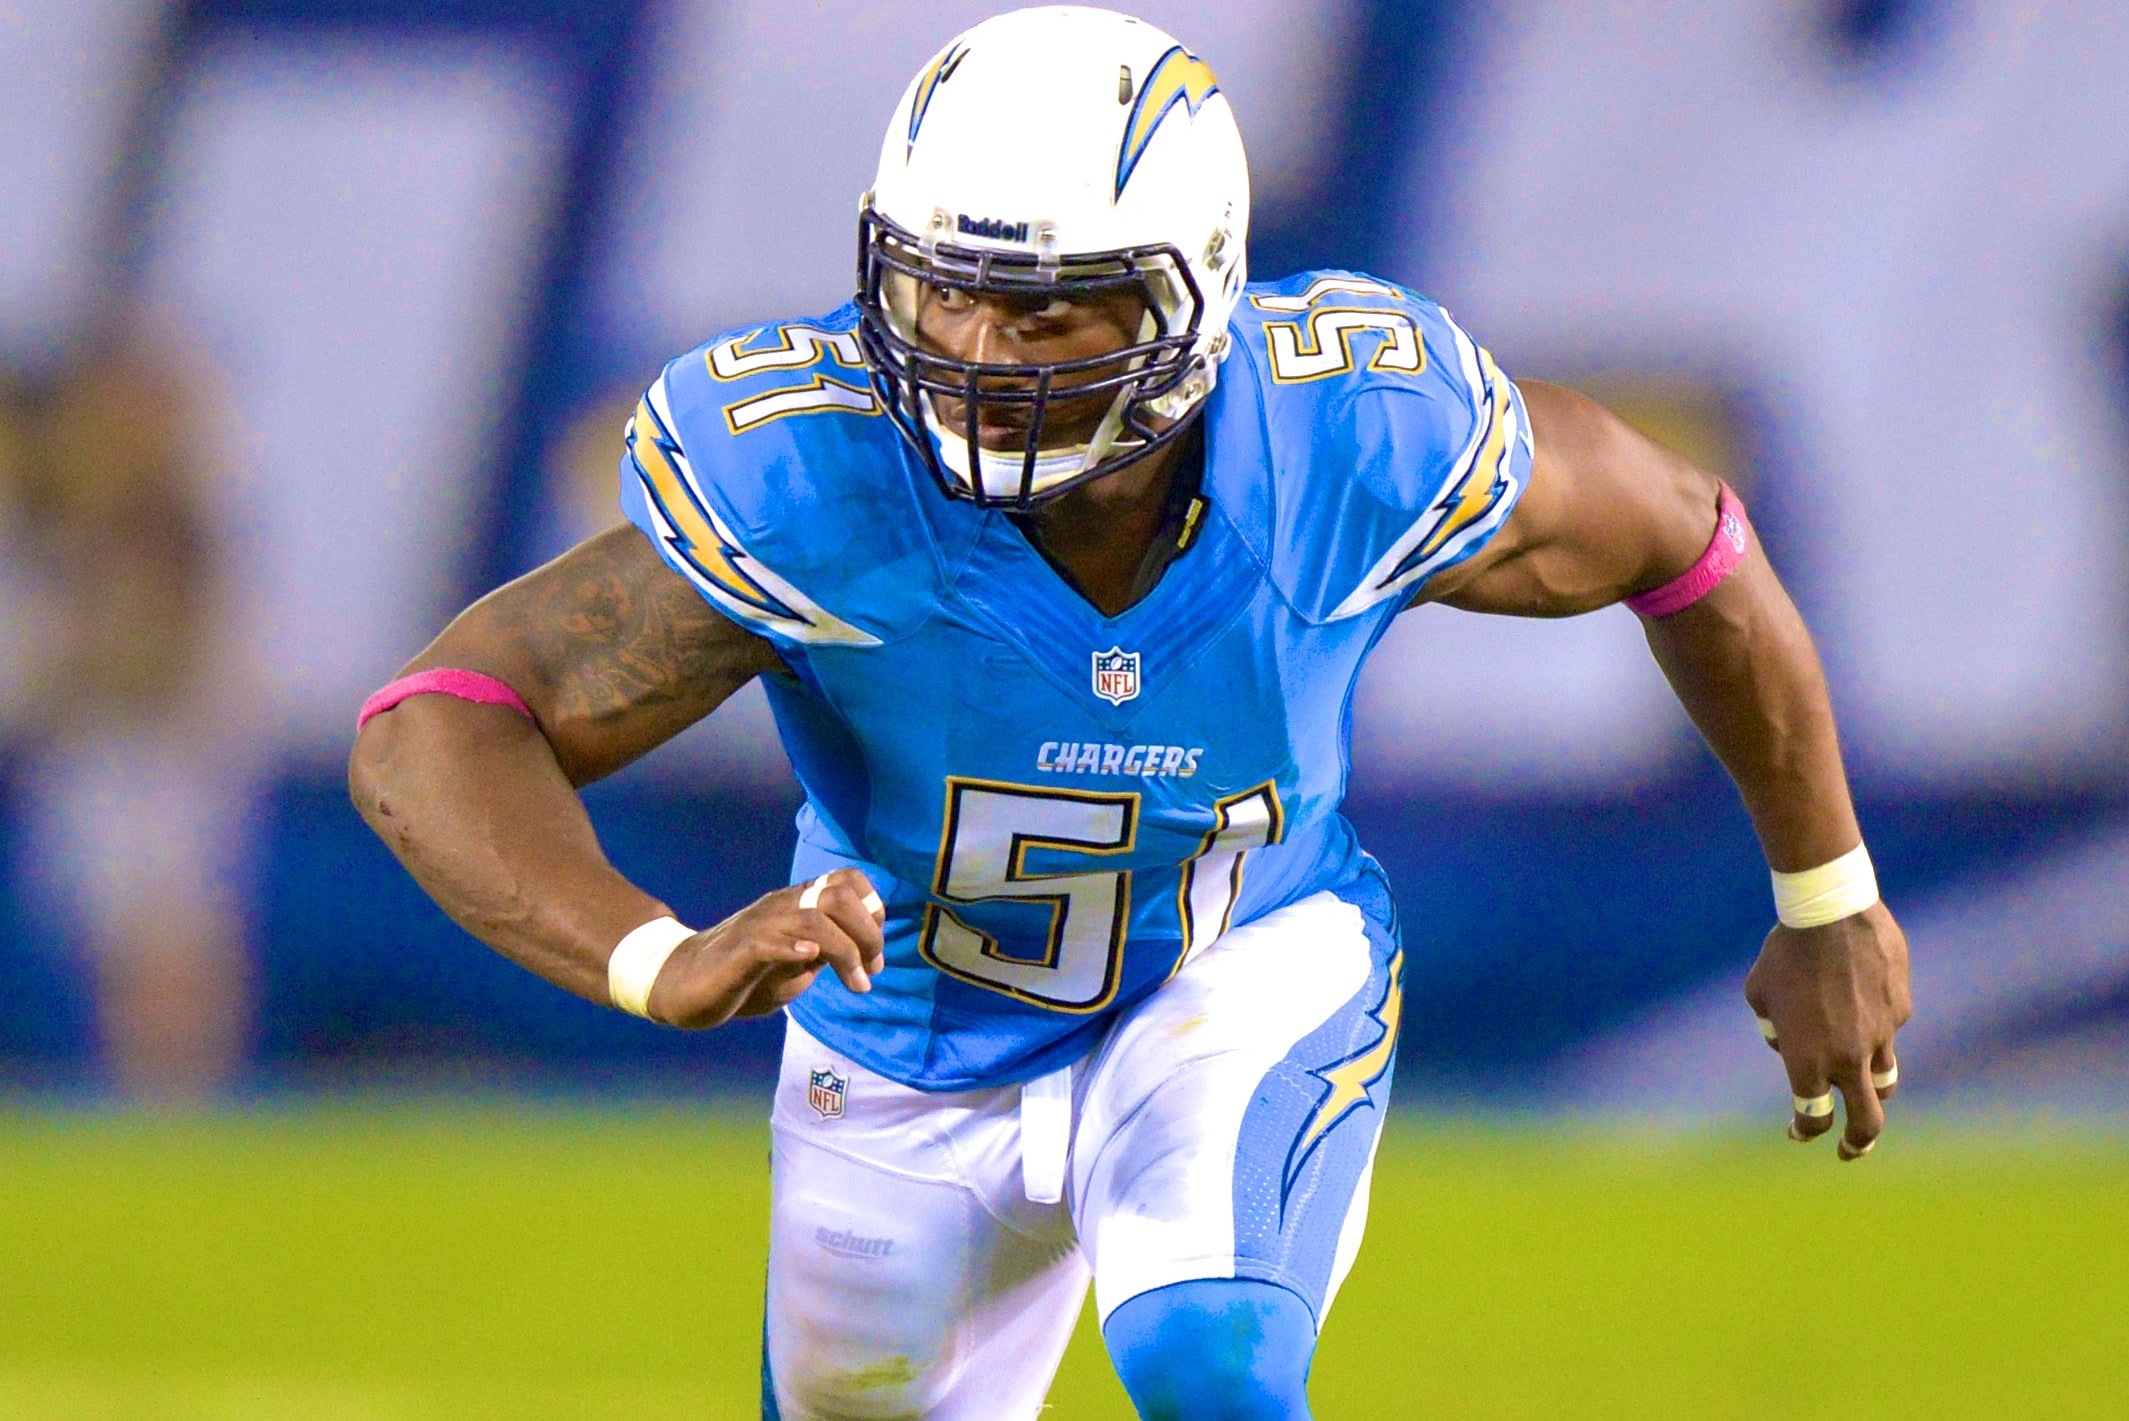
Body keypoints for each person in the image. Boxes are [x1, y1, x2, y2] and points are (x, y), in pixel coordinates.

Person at [349, 8, 1912, 1418]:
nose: (974, 357)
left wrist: (1825, 889)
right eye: (943, 296)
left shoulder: (1345, 435)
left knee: (1204, 1355)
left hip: (1235, 965)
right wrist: (652, 953)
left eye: (1047, 314)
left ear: (1195, 293)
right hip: (901, 1042)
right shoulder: (818, 477)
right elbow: (442, 717)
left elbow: (1688, 539)